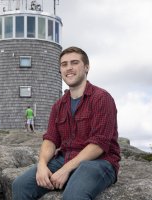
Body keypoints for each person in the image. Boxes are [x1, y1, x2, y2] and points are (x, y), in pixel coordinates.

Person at [12, 47, 121, 199]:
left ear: (86, 67)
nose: (69, 68)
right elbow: (50, 140)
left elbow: (99, 144)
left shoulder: (101, 98)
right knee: (20, 185)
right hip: (66, 158)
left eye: (74, 63)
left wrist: (65, 170)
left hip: (99, 162)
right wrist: (42, 165)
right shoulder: (59, 105)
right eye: (64, 64)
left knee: (73, 196)